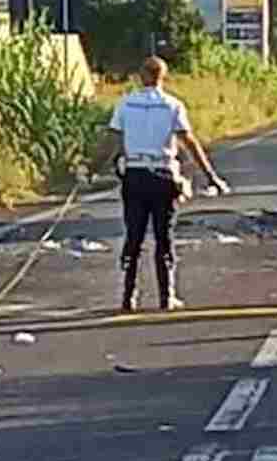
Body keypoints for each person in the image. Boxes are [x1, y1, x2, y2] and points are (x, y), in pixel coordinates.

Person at [89, 56, 228, 312]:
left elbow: (111, 141)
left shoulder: (126, 104)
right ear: (163, 76)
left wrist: (91, 169)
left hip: (135, 175)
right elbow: (190, 143)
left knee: (134, 237)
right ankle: (167, 296)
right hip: (163, 176)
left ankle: (128, 296)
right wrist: (210, 176)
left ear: (141, 76)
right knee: (164, 237)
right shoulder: (172, 106)